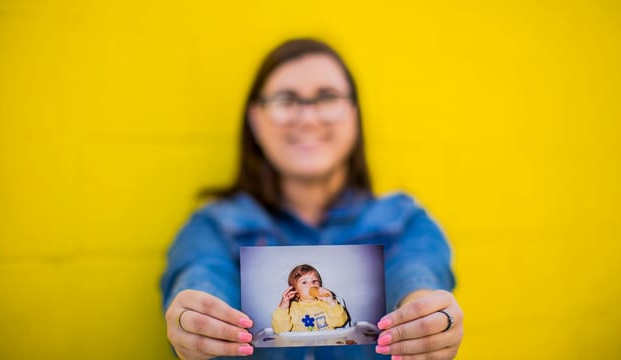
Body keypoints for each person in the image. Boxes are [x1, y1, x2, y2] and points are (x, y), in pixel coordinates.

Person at [161, 38, 464, 360]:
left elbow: (416, 270)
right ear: (255, 118)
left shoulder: (405, 221)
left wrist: (423, 313)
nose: (307, 118)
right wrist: (194, 318)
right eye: (285, 100)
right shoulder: (213, 227)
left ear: (353, 113)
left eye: (327, 97)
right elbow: (202, 274)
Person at [272, 264, 348, 333]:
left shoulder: (326, 304)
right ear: (295, 289)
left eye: (314, 281)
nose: (311, 285)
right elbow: (280, 330)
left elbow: (340, 322)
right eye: (304, 282)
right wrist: (283, 307)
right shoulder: (292, 308)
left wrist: (332, 303)